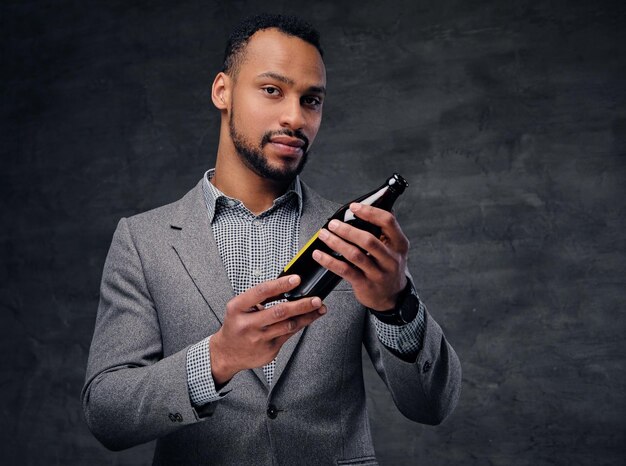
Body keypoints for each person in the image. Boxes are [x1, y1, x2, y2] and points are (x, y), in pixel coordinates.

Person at [82, 13, 461, 465]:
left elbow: (431, 406)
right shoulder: (142, 241)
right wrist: (218, 358)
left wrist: (397, 304)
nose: (294, 117)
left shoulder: (352, 234)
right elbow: (106, 413)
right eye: (272, 90)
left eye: (312, 100)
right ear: (222, 90)